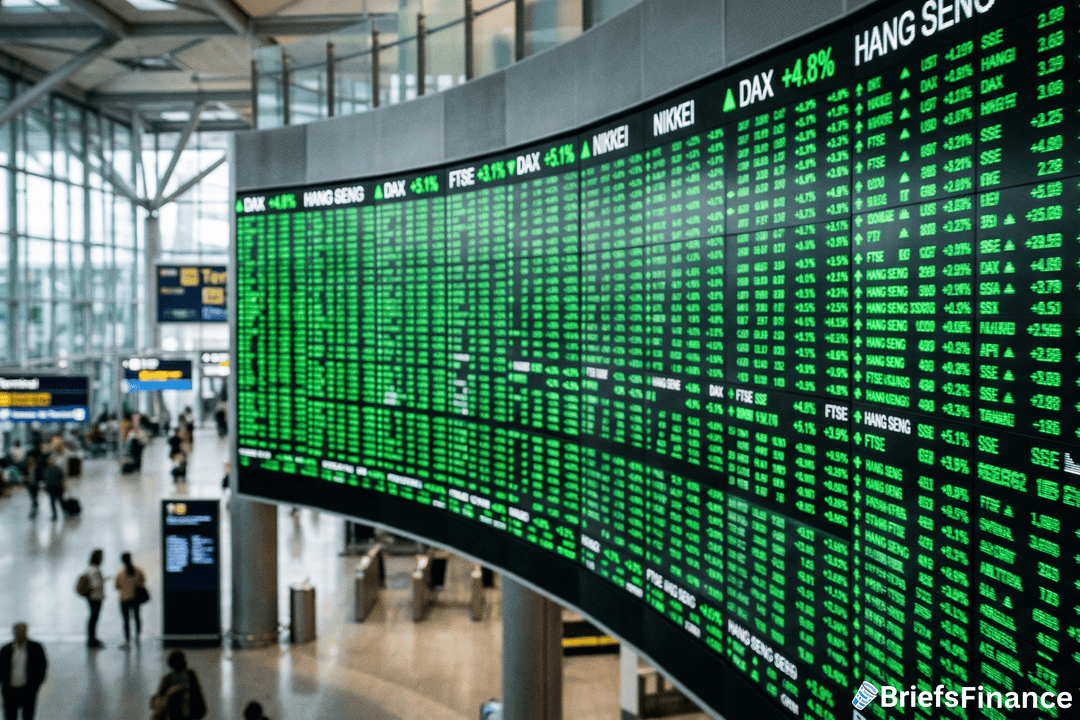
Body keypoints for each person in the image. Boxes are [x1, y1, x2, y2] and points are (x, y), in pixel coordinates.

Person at [0, 623, 47, 720]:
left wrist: (35, 685)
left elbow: (42, 666)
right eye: (18, 632)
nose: (20, 634)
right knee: (10, 716)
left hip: (28, 690)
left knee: (28, 715)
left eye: (22, 631)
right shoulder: (6, 649)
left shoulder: (36, 648)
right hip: (10, 690)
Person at [153, 651, 206, 720]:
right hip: (189, 714)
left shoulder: (167, 679)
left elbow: (159, 699)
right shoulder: (191, 675)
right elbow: (199, 698)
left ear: (170, 665)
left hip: (172, 715)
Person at [114, 552, 147, 648]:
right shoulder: (138, 570)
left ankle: (127, 641)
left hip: (124, 599)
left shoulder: (120, 574)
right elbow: (143, 581)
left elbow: (116, 586)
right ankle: (137, 636)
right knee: (137, 617)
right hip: (135, 598)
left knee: (126, 620)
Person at [81, 549, 106, 649]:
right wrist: (101, 581)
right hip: (95, 597)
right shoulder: (95, 569)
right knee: (94, 618)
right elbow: (96, 584)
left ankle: (92, 638)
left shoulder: (89, 568)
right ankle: (92, 639)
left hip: (91, 596)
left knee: (93, 618)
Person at [41, 456, 64, 522]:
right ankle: (54, 515)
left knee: (60, 501)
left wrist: (63, 486)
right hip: (50, 488)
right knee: (52, 502)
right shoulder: (46, 470)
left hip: (58, 487)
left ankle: (64, 512)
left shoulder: (58, 469)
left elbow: (62, 477)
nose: (50, 462)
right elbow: (45, 479)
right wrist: (44, 487)